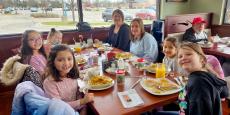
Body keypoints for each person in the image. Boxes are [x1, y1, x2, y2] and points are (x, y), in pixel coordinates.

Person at [177, 42, 228, 115]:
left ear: (202, 59)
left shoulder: (198, 83)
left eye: (188, 54)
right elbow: (224, 92)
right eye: (180, 56)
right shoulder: (207, 74)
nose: (183, 58)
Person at [43, 44, 94, 114]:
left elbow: (78, 94)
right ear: (52, 62)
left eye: (69, 59)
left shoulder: (71, 75)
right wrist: (82, 101)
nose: (66, 63)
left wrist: (83, 108)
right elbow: (60, 107)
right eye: (60, 60)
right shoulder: (49, 83)